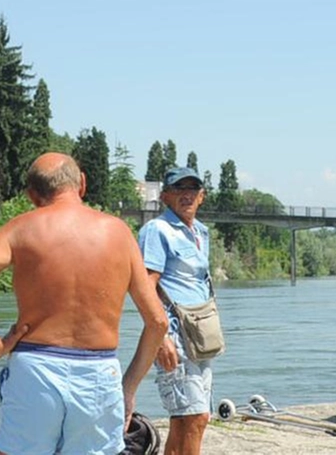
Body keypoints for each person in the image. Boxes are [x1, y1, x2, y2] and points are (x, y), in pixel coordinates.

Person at [0, 152, 167, 455]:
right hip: (99, 373)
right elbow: (158, 322)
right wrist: (128, 387)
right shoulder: (118, 232)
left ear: (32, 196)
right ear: (82, 185)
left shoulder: (21, 228)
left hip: (36, 368)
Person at [138, 166, 217, 455]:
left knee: (189, 420)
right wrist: (161, 337)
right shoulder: (157, 231)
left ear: (202, 196)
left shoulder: (200, 232)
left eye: (192, 189)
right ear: (165, 197)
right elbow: (146, 286)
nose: (187, 195)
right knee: (194, 418)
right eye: (179, 189)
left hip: (199, 335)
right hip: (174, 335)